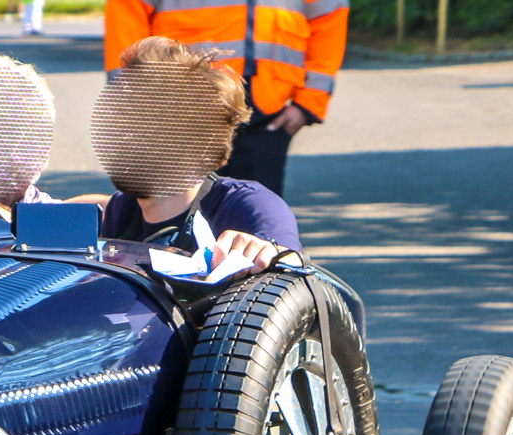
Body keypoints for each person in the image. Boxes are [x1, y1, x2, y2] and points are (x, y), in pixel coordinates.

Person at [102, 0, 348, 195]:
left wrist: (309, 101)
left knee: (255, 217)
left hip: (269, 108)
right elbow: (126, 16)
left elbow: (329, 18)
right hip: (180, 102)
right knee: (172, 214)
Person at [95, 36, 300, 270]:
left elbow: (290, 262)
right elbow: (89, 205)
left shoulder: (247, 205)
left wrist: (268, 250)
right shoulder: (121, 211)